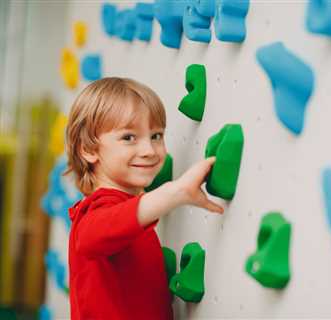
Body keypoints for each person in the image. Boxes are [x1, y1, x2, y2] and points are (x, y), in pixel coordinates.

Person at [65, 77, 224, 320]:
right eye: (129, 138)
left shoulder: (125, 208)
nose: (149, 150)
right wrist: (175, 192)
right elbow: (91, 236)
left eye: (156, 136)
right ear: (88, 149)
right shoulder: (96, 210)